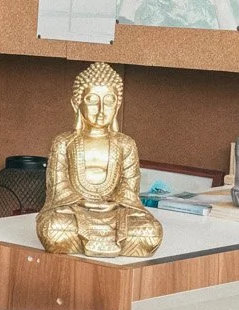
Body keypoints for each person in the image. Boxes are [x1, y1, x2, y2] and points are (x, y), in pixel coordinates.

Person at [37, 62, 163, 257]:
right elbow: (58, 188)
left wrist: (113, 203)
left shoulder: (125, 144)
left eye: (109, 100)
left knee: (151, 233)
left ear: (118, 104)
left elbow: (130, 188)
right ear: (76, 103)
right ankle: (90, 239)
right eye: (92, 100)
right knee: (54, 230)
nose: (101, 108)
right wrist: (81, 202)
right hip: (73, 211)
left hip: (116, 211)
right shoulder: (63, 142)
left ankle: (106, 240)